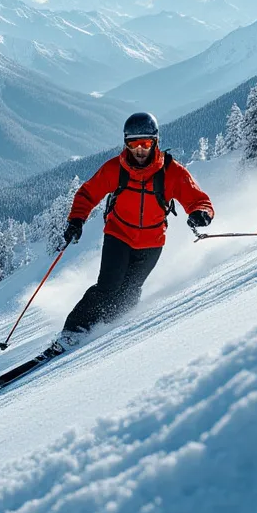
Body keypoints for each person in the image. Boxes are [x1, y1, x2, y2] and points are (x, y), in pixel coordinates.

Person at [55, 112, 214, 348]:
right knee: (108, 286)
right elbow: (88, 193)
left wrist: (201, 213)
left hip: (152, 243)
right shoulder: (115, 170)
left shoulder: (171, 172)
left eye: (146, 143)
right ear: (126, 143)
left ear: (155, 142)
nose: (140, 149)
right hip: (118, 235)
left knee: (130, 291)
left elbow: (199, 199)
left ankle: (108, 327)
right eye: (133, 143)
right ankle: (74, 330)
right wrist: (77, 219)